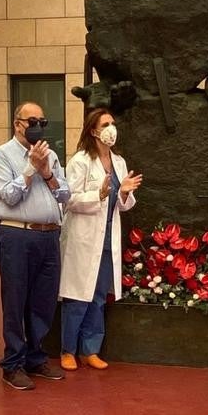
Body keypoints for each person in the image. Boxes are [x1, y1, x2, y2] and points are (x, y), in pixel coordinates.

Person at [0, 102, 70, 390]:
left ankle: (36, 357)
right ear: (17, 123)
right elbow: (8, 196)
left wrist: (47, 171)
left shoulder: (52, 155)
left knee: (43, 300)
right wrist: (30, 168)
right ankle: (13, 364)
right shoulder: (2, 154)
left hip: (49, 236)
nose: (37, 126)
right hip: (16, 236)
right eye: (31, 120)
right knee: (15, 301)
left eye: (42, 121)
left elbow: (65, 195)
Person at [60, 109, 141, 371]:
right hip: (83, 238)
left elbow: (123, 206)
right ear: (93, 131)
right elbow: (69, 200)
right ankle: (68, 350)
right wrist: (100, 194)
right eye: (106, 124)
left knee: (97, 296)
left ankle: (90, 350)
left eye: (113, 123)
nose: (111, 128)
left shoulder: (119, 162)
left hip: (107, 238)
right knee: (78, 295)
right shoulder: (80, 161)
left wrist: (124, 193)